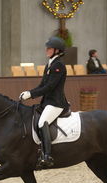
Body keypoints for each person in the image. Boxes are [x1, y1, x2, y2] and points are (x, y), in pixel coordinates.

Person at [19, 36, 70, 168]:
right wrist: (29, 93)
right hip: (47, 102)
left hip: (56, 103)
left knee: (42, 122)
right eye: (47, 48)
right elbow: (42, 85)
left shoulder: (58, 65)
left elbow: (50, 87)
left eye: (49, 48)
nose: (46, 50)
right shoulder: (50, 64)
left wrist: (31, 94)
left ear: (57, 50)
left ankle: (47, 155)